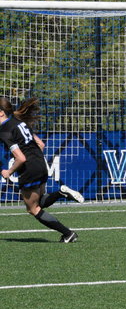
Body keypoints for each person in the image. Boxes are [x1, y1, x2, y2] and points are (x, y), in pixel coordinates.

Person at [0, 97, 81, 242]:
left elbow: (21, 158)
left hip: (29, 168)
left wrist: (9, 172)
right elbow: (41, 144)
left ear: (1, 113)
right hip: (41, 163)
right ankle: (61, 193)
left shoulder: (5, 131)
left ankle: (68, 234)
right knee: (40, 202)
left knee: (33, 209)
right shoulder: (19, 122)